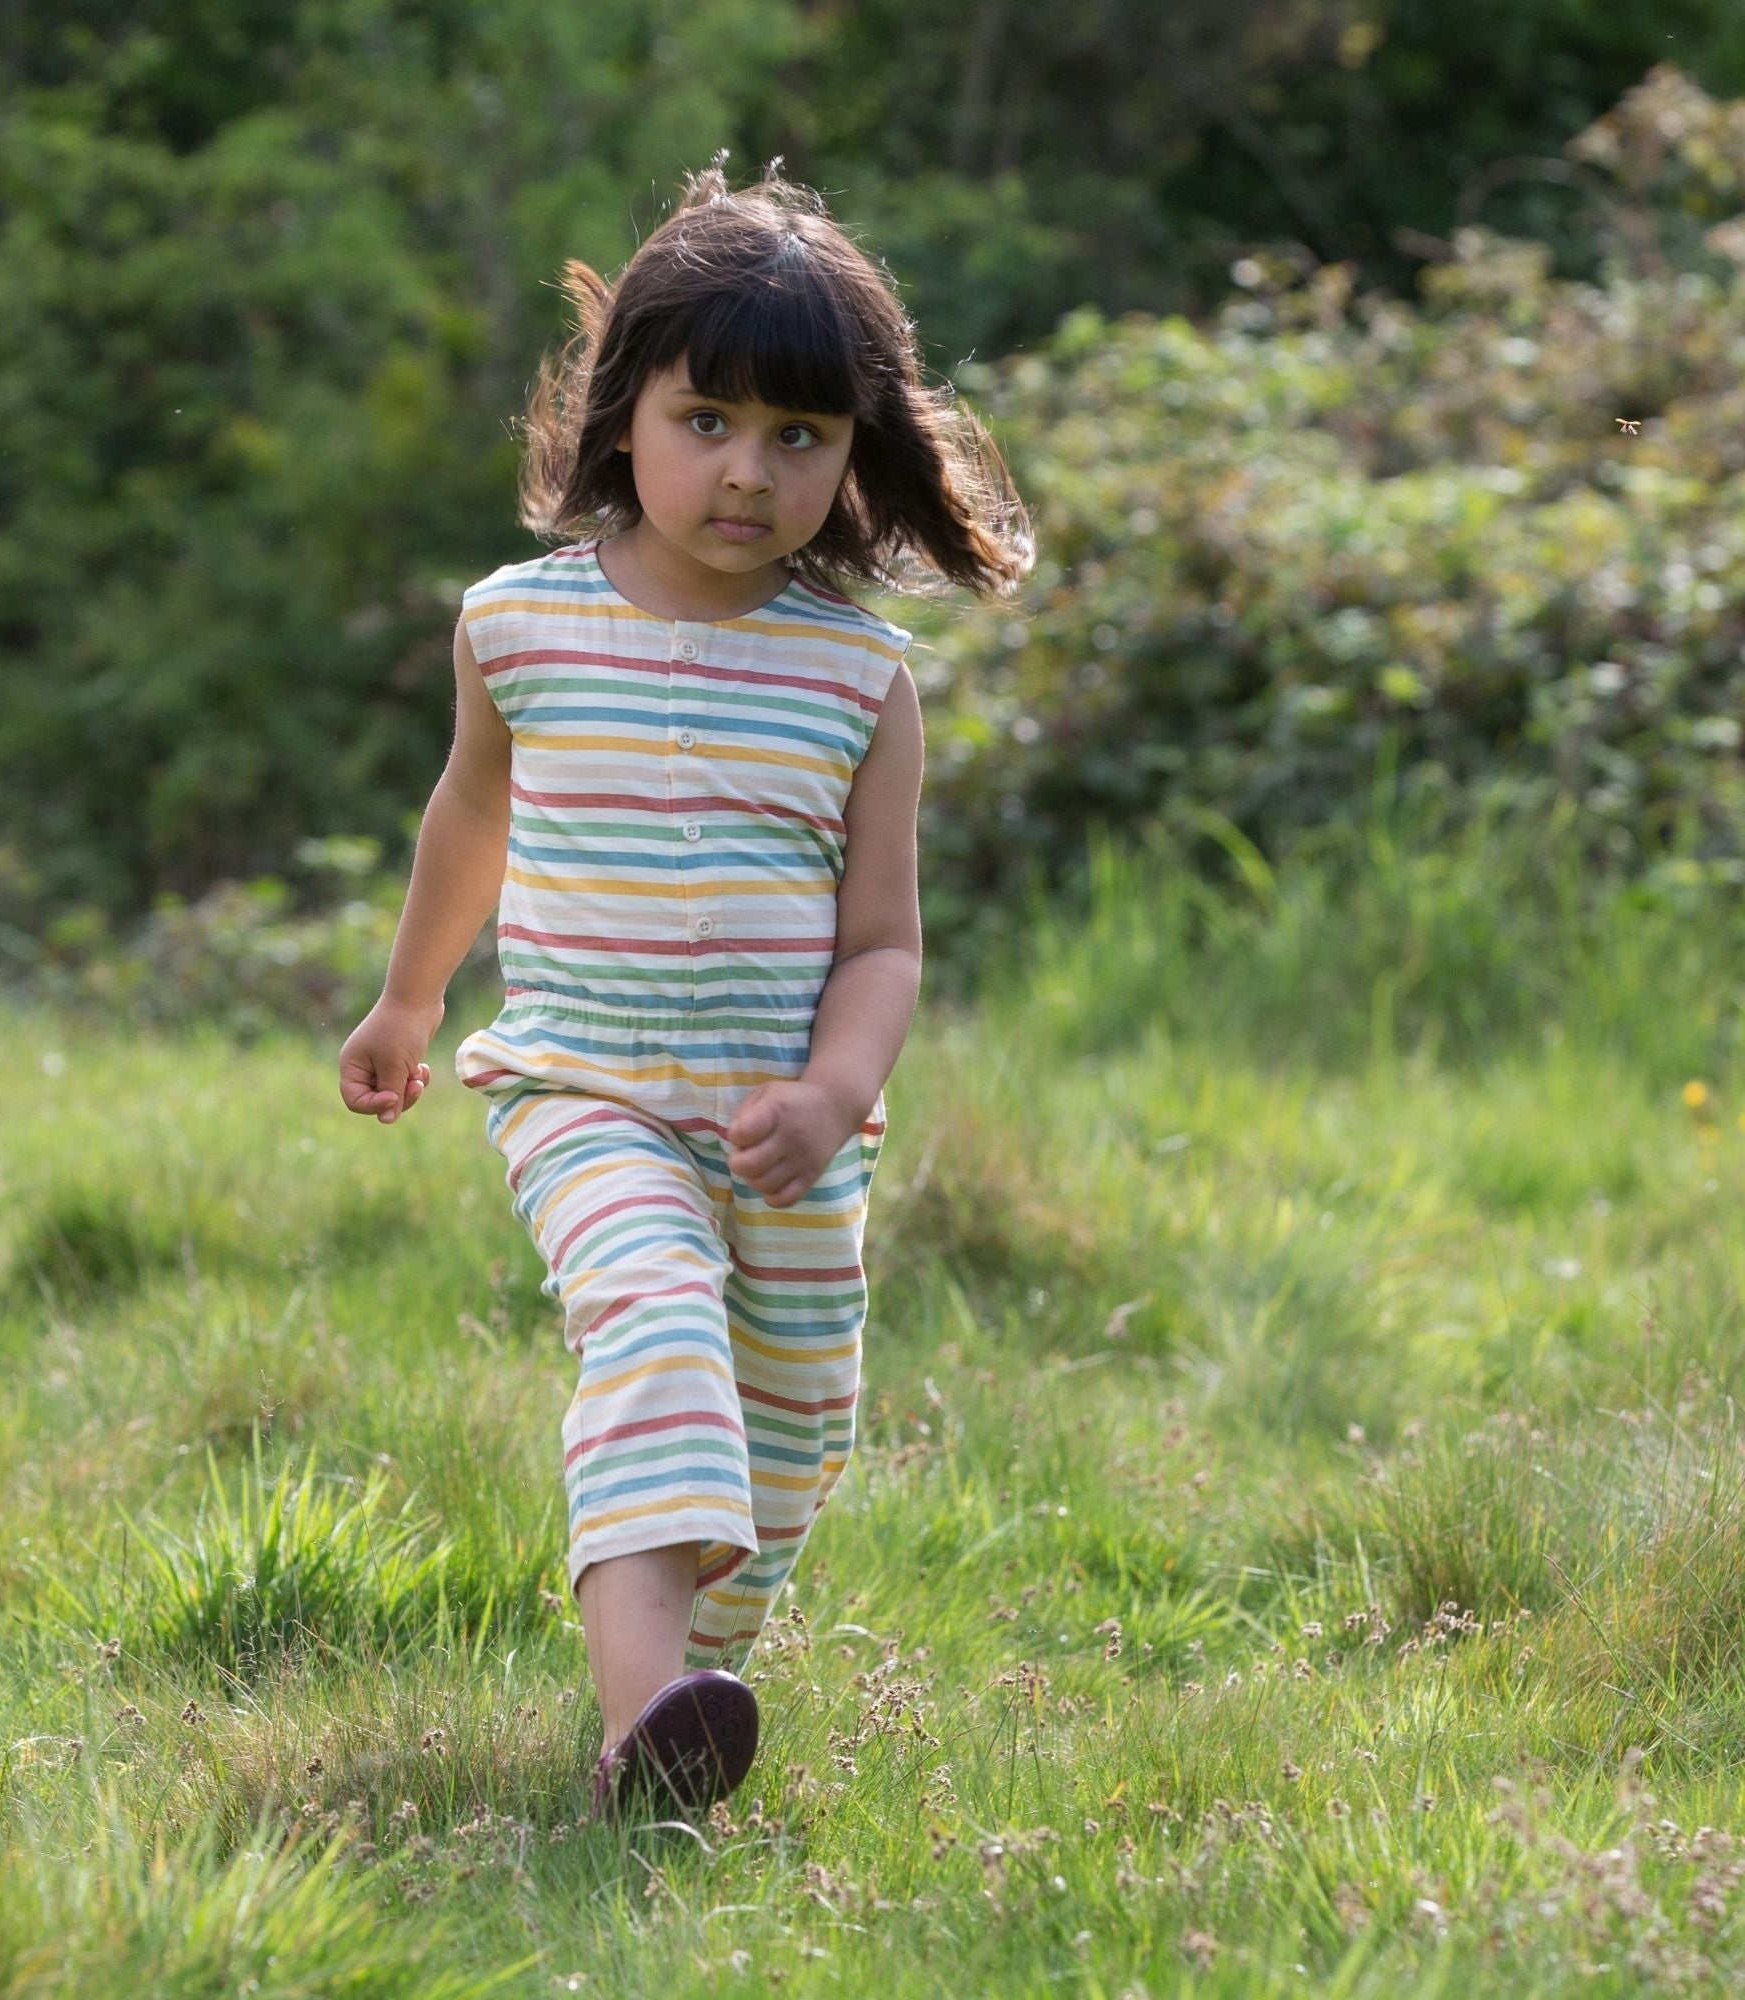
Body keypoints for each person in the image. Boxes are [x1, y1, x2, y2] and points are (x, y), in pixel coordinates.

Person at [338, 152, 1032, 1818]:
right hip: (586, 1089)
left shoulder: (859, 677)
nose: (746, 470)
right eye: (705, 420)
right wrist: (411, 1000)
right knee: (654, 1330)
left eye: (799, 436)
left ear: (853, 454)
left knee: (783, 1447)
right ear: (623, 413)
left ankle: (686, 1697)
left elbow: (882, 943)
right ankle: (639, 1718)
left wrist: (835, 1095)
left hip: (786, 1135)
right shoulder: (517, 629)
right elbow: (473, 815)